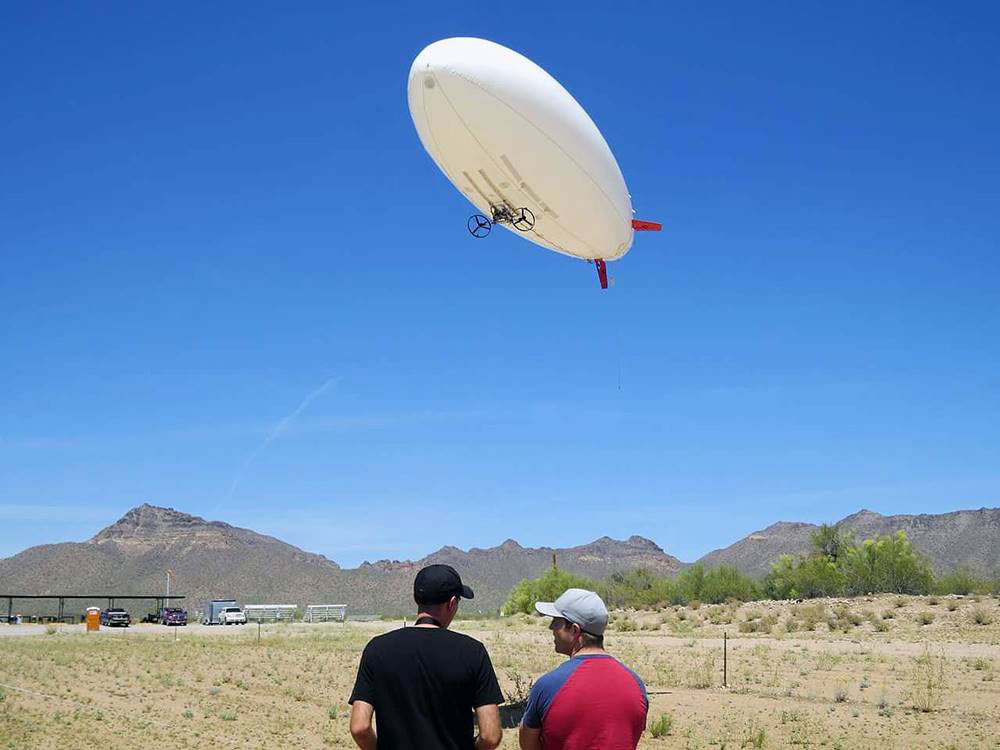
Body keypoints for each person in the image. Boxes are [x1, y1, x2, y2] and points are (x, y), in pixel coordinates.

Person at [349, 564, 503, 750]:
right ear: (452, 603)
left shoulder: (377, 649)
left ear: (416, 599)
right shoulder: (472, 651)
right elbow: (491, 735)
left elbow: (360, 727)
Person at [519, 588, 648, 750]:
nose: (551, 627)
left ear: (574, 630)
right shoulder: (636, 684)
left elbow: (528, 744)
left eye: (556, 621)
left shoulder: (548, 686)